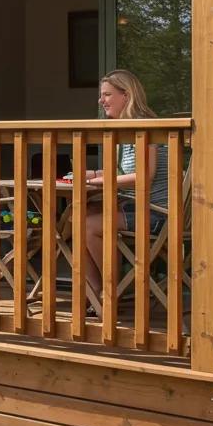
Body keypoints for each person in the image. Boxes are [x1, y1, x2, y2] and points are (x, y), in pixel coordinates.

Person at [80, 70, 169, 299]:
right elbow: (122, 172)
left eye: (107, 95)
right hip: (136, 206)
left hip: (158, 213)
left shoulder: (144, 127)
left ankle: (110, 292)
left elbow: (144, 175)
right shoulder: (126, 128)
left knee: (89, 226)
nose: (101, 101)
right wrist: (88, 174)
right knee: (79, 216)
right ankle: (97, 294)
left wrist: (102, 181)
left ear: (126, 96)